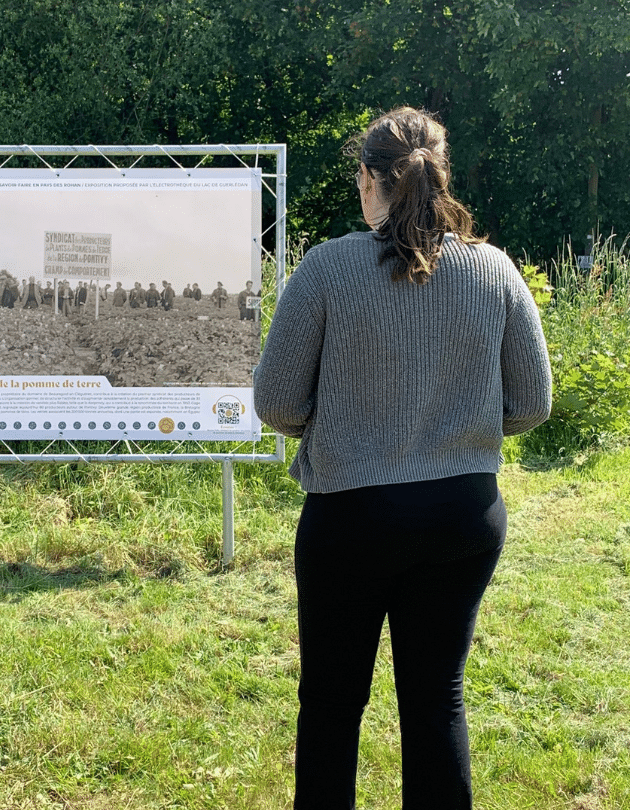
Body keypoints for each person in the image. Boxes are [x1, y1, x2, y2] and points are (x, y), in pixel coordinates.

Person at [253, 106, 552, 810]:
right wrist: (461, 427)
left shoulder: (326, 268)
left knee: (330, 704)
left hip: (350, 517)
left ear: (367, 180)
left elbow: (276, 404)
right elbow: (533, 403)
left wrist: (341, 423)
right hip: (463, 515)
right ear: (441, 174)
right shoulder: (496, 272)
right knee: (436, 700)